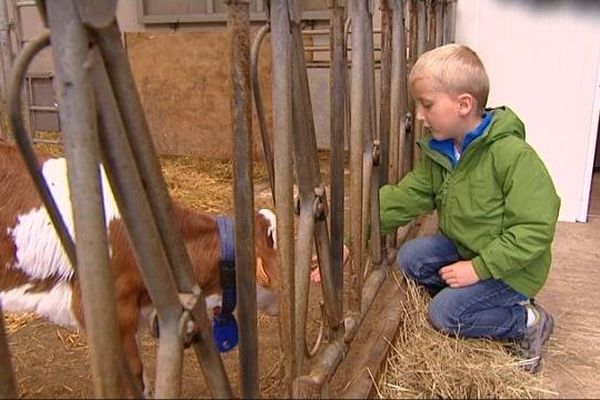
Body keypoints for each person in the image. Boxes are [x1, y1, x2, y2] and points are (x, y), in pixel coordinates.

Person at [379, 43, 560, 373]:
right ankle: (475, 297)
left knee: (445, 314)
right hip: (467, 247)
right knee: (410, 258)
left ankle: (526, 320)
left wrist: (477, 269)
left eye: (427, 105)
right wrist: (345, 239)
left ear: (464, 104)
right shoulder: (444, 152)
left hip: (512, 270)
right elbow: (404, 198)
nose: (419, 116)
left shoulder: (512, 155)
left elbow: (533, 230)